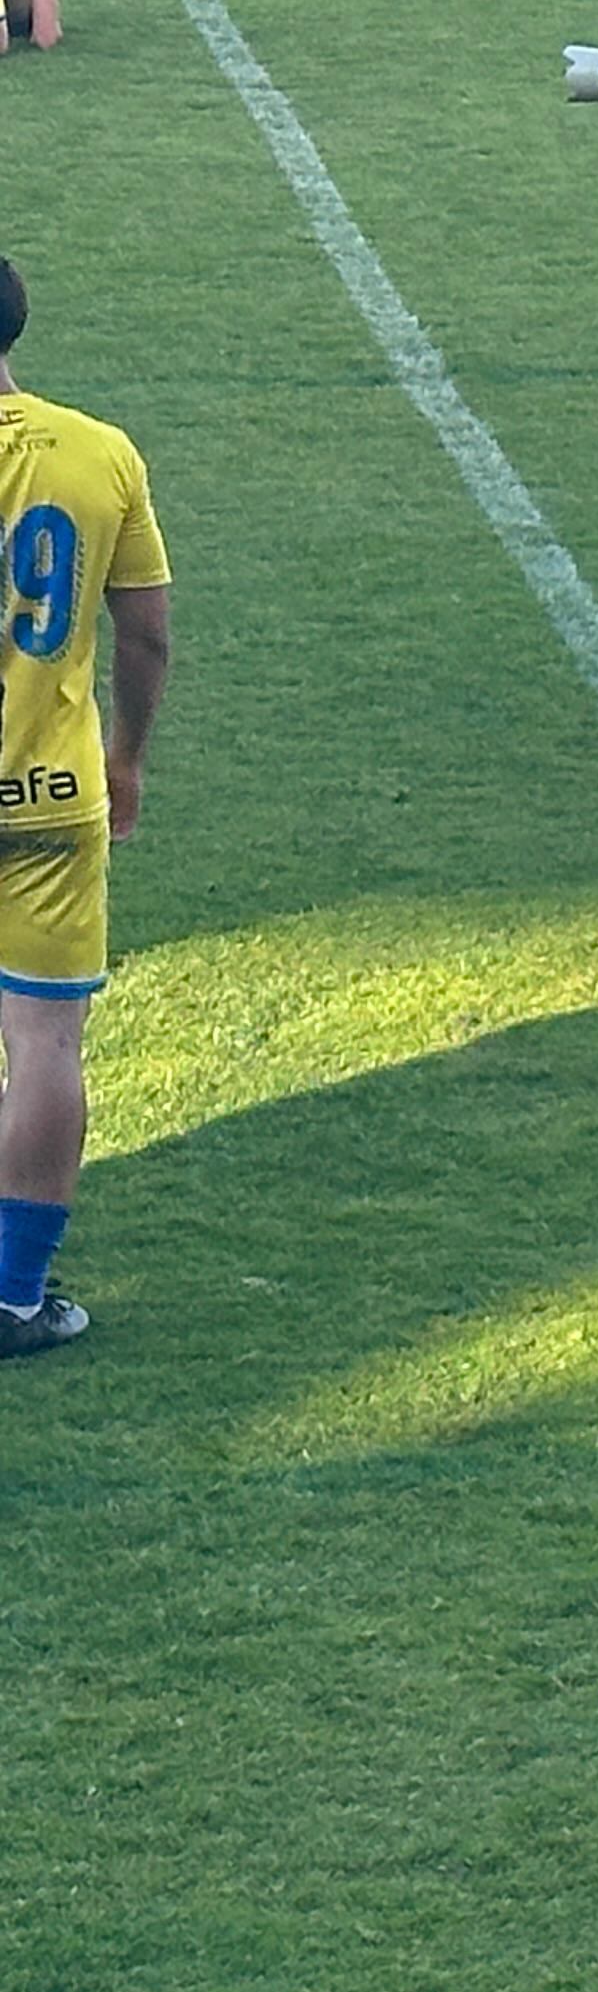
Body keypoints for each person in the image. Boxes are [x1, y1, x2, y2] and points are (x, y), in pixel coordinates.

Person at [0, 256, 171, 1361]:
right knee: (45, 1040)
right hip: (47, 793)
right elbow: (148, 633)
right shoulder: (94, 450)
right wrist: (128, 756)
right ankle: (12, 1297)